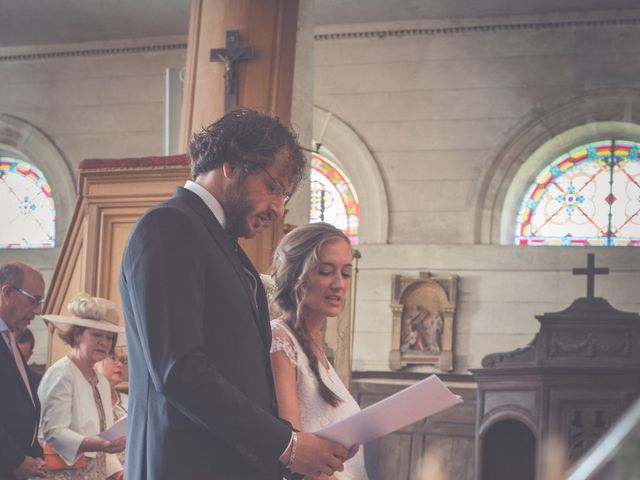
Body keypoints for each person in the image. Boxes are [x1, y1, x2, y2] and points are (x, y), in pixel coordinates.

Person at [119, 109, 350, 480]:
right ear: (232, 164)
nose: (279, 208)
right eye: (274, 187)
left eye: (285, 196)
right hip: (184, 467)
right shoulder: (169, 227)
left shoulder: (226, 248)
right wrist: (287, 445)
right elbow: (179, 369)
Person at [270, 222, 369, 480]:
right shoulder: (280, 340)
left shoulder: (318, 349)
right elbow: (295, 456)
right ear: (296, 276)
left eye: (346, 274)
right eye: (326, 271)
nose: (339, 284)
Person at [39, 294, 126, 480]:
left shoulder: (100, 380)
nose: (104, 342)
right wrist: (99, 445)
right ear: (77, 334)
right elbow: (53, 432)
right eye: (96, 334)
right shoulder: (62, 374)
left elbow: (105, 436)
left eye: (109, 337)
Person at [0, 262, 47, 479]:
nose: (38, 311)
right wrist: (15, 460)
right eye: (33, 300)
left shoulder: (9, 338)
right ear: (8, 293)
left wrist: (34, 454)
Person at [95, 343, 128, 421]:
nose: (120, 364)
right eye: (113, 358)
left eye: (122, 360)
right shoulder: (83, 401)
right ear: (94, 363)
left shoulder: (129, 401)